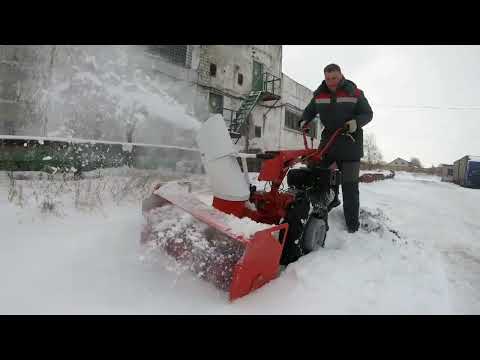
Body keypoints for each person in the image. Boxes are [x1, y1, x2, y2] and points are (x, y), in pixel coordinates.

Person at [299, 64, 373, 233]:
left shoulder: (354, 93)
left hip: (350, 143)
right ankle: (327, 206)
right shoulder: (319, 95)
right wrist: (304, 120)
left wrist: (355, 123)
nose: (331, 82)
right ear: (324, 78)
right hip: (328, 143)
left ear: (341, 76)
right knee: (319, 177)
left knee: (350, 186)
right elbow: (309, 111)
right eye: (328, 78)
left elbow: (368, 113)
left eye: (334, 78)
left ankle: (352, 226)